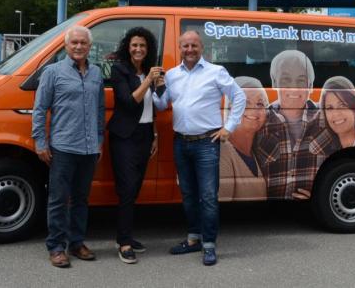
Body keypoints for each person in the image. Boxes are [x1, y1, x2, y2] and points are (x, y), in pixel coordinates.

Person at [153, 30, 245, 266]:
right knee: (188, 195)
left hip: (207, 142)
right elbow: (162, 106)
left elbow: (239, 96)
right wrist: (158, 87)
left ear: (201, 47)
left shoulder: (216, 72)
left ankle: (209, 245)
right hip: (181, 142)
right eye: (185, 46)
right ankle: (193, 239)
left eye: (194, 45)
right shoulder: (172, 75)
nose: (190, 50)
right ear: (180, 48)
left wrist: (229, 128)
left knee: (207, 196)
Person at [31, 25, 104, 269]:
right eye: (74, 43)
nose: (79, 47)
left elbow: (100, 110)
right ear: (65, 45)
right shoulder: (52, 72)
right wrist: (40, 141)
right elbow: (40, 109)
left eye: (83, 43)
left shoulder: (96, 73)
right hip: (63, 147)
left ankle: (77, 243)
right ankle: (56, 247)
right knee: (58, 200)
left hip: (89, 148)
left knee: (82, 200)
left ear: (90, 47)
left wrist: (99, 140)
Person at [106, 27, 163, 264]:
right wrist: (148, 80)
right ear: (127, 48)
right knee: (127, 189)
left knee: (135, 188)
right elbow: (129, 103)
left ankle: (125, 234)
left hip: (145, 134)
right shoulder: (120, 70)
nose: (138, 49)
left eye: (143, 46)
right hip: (124, 137)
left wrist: (156, 134)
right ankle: (124, 242)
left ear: (148, 49)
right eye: (134, 45)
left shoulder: (152, 72)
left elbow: (156, 105)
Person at [252, 50, 339, 200]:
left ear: (311, 85)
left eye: (301, 81)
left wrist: (322, 194)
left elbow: (342, 164)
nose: (294, 88)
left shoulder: (329, 120)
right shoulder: (260, 121)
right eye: (286, 80)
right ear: (274, 82)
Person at [219, 76, 268, 201]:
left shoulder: (255, 153)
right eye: (245, 103)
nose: (254, 109)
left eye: (260, 104)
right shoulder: (222, 151)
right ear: (230, 108)